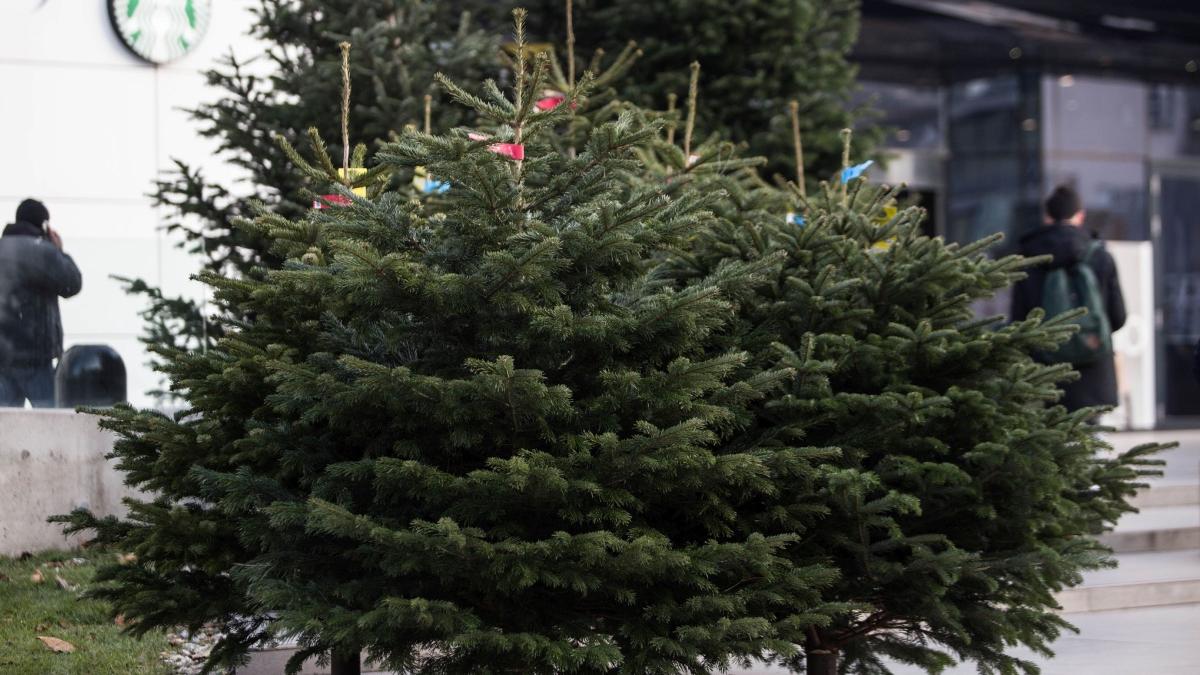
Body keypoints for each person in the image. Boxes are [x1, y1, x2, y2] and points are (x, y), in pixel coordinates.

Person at [1011, 186, 1127, 412]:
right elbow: (1118, 316)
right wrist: (1089, 336)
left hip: (1045, 373)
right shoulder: (1100, 255)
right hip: (1094, 370)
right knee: (1087, 441)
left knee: (1050, 442)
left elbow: (1019, 319)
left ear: (1047, 216)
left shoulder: (1028, 256)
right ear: (1080, 215)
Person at [0, 199, 82, 407]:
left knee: (4, 426)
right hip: (35, 356)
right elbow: (72, 283)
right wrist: (59, 251)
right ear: (44, 224)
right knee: (54, 421)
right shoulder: (43, 252)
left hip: (2, 355)